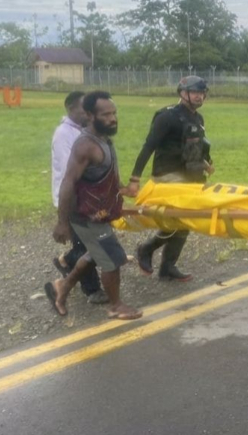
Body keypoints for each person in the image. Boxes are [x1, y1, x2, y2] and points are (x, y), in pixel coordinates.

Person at [46, 91, 141, 320]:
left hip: (99, 212)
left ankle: (62, 288)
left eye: (114, 113)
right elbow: (68, 182)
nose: (112, 118)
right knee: (112, 259)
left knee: (94, 253)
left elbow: (101, 175)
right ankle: (116, 306)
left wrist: (121, 190)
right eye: (105, 114)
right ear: (89, 115)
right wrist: (62, 222)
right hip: (86, 216)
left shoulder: (104, 139)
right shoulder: (85, 145)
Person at [126, 76, 214, 281]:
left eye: (202, 93)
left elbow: (196, 146)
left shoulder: (198, 119)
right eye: (195, 92)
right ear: (182, 93)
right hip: (168, 176)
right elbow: (149, 146)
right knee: (182, 218)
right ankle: (147, 249)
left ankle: (167, 267)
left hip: (191, 175)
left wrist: (206, 163)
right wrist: (134, 178)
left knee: (185, 222)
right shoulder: (166, 117)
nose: (199, 96)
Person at [50, 91, 107, 304]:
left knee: (92, 242)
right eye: (85, 109)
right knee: (89, 246)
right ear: (71, 109)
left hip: (90, 197)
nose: (89, 114)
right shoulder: (63, 135)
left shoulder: (85, 131)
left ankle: (66, 260)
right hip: (73, 199)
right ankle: (92, 290)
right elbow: (71, 173)